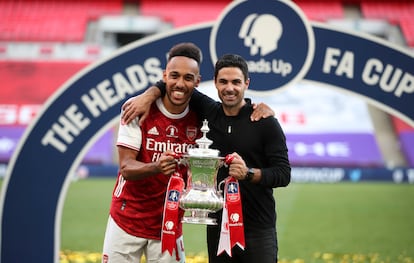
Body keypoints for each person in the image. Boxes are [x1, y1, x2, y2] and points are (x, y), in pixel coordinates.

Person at [122, 54, 291, 263]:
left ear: (246, 83)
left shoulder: (265, 122)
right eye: (223, 82)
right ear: (216, 83)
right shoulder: (208, 112)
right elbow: (176, 82)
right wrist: (147, 95)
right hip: (218, 229)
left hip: (258, 230)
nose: (230, 88)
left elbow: (283, 174)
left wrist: (248, 173)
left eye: (236, 82)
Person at [102, 42, 203, 263]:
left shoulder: (203, 117)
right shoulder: (137, 108)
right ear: (164, 76)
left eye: (188, 78)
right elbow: (126, 168)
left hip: (169, 221)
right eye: (174, 75)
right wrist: (156, 167)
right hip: (126, 219)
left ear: (197, 81)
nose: (180, 83)